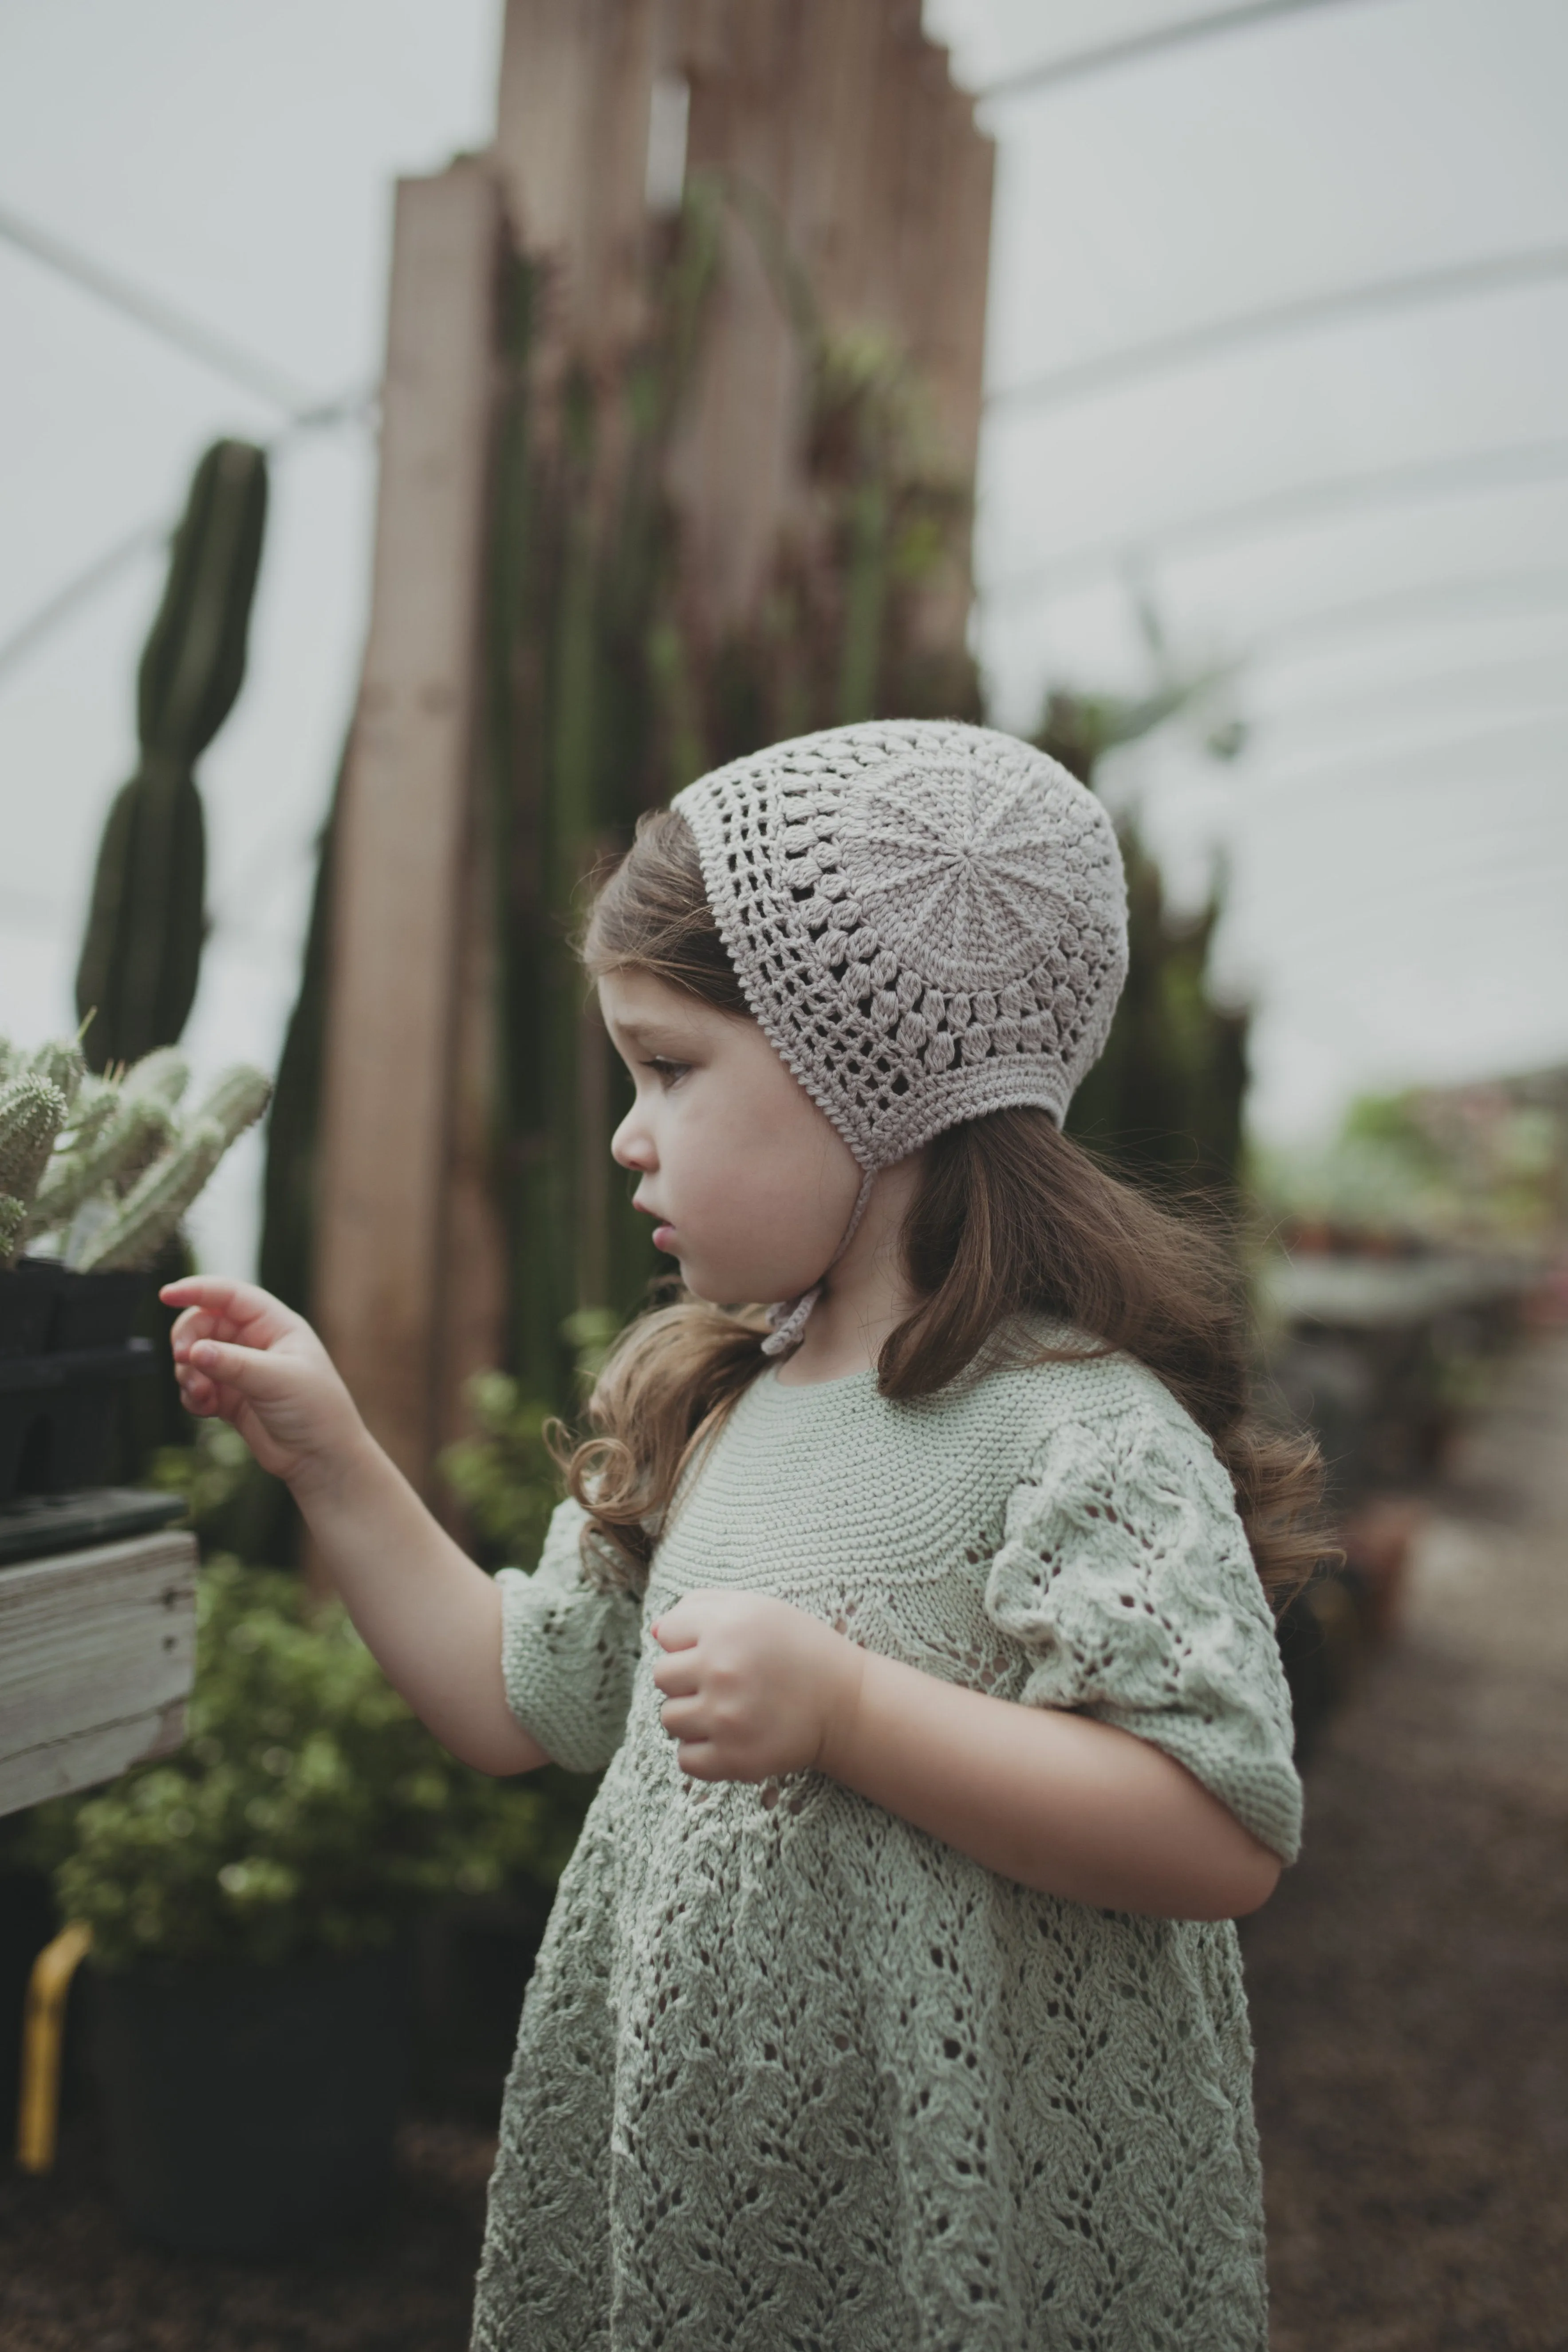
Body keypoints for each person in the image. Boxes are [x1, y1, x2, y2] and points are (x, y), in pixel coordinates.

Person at [164, 719, 1324, 2352]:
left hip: (951, 2242)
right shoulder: (716, 1398)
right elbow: (525, 1698)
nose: (631, 1130)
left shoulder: (1077, 1431)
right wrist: (330, 1455)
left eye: (672, 1068)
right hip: (710, 2228)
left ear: (882, 1079)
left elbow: (1218, 1827)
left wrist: (845, 1709)